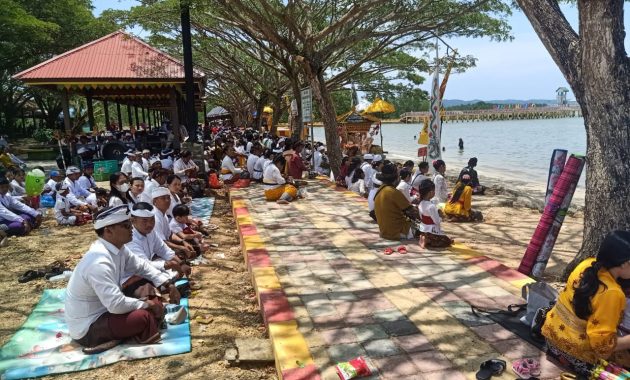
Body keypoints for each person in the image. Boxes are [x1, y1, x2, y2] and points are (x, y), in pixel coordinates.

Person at [64, 205, 178, 353]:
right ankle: (112, 337)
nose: (131, 228)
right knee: (143, 316)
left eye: (129, 224)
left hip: (107, 311)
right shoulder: (98, 262)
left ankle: (123, 334)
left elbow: (142, 266)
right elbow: (115, 304)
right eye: (125, 225)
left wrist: (168, 285)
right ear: (108, 231)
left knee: (152, 297)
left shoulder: (120, 249)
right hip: (89, 327)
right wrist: (146, 305)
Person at [542, 231, 630, 376]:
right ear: (625, 263)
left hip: (552, 341)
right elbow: (602, 348)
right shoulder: (612, 293)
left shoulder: (586, 264)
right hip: (578, 358)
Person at [124, 202, 189, 286]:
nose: (150, 224)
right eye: (145, 221)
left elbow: (164, 250)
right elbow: (143, 265)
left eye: (152, 220)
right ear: (133, 220)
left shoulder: (151, 232)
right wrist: (169, 265)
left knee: (173, 267)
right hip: (133, 275)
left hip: (148, 267)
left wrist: (181, 264)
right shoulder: (130, 238)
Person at [373, 163, 419, 240]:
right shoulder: (393, 192)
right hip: (397, 231)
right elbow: (412, 211)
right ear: (395, 178)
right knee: (425, 230)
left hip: (384, 231)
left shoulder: (380, 189)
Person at [151, 187, 195, 258]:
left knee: (191, 247)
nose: (167, 200)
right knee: (183, 253)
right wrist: (180, 247)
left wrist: (182, 242)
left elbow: (170, 234)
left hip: (165, 245)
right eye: (163, 198)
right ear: (154, 201)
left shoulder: (163, 214)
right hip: (156, 250)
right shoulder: (155, 218)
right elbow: (161, 242)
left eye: (168, 198)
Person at [416, 179, 452, 248]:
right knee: (447, 241)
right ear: (431, 192)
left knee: (443, 237)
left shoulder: (421, 203)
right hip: (431, 231)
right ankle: (427, 240)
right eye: (434, 190)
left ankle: (423, 237)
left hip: (423, 228)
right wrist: (441, 217)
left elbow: (421, 217)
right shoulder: (431, 206)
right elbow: (436, 221)